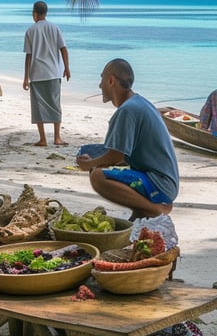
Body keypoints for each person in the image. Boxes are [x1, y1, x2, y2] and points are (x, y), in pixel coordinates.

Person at [76, 59, 179, 219]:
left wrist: (88, 164)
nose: (99, 86)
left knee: (98, 176)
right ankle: (141, 212)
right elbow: (124, 155)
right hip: (164, 181)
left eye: (101, 79)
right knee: (100, 164)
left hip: (159, 184)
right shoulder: (139, 103)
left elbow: (116, 157)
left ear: (111, 80)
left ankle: (155, 209)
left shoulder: (127, 111)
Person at [23, 0, 71, 146]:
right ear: (46, 13)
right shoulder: (54, 28)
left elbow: (28, 55)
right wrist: (67, 68)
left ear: (35, 14)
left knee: (38, 107)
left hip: (37, 73)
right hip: (53, 73)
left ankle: (43, 139)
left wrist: (26, 77)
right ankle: (57, 137)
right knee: (55, 104)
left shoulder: (30, 30)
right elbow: (63, 48)